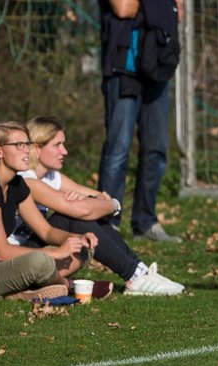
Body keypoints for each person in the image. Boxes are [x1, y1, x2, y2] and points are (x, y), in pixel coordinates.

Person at [12, 117, 186, 295]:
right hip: (14, 261)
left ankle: (139, 271)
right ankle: (134, 276)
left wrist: (92, 200)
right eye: (57, 145)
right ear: (36, 148)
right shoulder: (27, 180)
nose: (64, 151)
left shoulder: (51, 177)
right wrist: (113, 204)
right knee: (73, 217)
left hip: (33, 252)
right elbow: (85, 209)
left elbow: (98, 196)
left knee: (83, 219)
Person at [95, 0, 184, 243]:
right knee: (118, 148)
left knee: (157, 149)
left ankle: (146, 221)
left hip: (156, 69)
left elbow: (179, 12)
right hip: (123, 68)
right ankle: (106, 223)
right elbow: (122, 5)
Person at [0, 122, 97, 301]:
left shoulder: (16, 184)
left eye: (28, 144)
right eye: (19, 145)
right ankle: (65, 285)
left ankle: (24, 290)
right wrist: (57, 253)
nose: (27, 151)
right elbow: (2, 251)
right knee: (39, 262)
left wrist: (75, 238)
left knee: (84, 250)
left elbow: (46, 231)